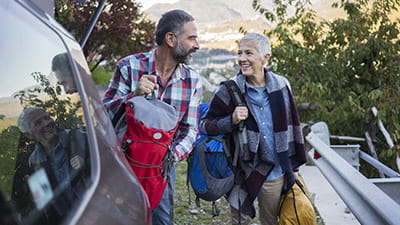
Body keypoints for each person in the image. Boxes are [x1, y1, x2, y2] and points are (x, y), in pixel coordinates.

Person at [103, 9, 202, 225]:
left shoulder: (192, 80)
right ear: (170, 39)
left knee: (161, 220)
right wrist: (133, 96)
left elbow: (191, 129)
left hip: (162, 168)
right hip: (124, 164)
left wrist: (169, 157)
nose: (197, 44)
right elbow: (102, 115)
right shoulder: (129, 67)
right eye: (191, 37)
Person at [200, 33, 307, 225]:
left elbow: (293, 127)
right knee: (240, 222)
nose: (242, 59)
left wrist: (294, 167)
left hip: (274, 172)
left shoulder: (282, 85)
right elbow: (205, 126)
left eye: (249, 53)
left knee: (271, 221)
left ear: (266, 57)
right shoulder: (229, 90)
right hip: (241, 172)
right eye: (239, 53)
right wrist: (231, 119)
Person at [17, 107, 90, 224]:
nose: (47, 123)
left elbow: (109, 163)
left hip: (95, 210)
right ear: (29, 135)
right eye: (38, 123)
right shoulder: (34, 161)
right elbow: (46, 203)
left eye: (47, 117)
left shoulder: (78, 137)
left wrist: (86, 164)